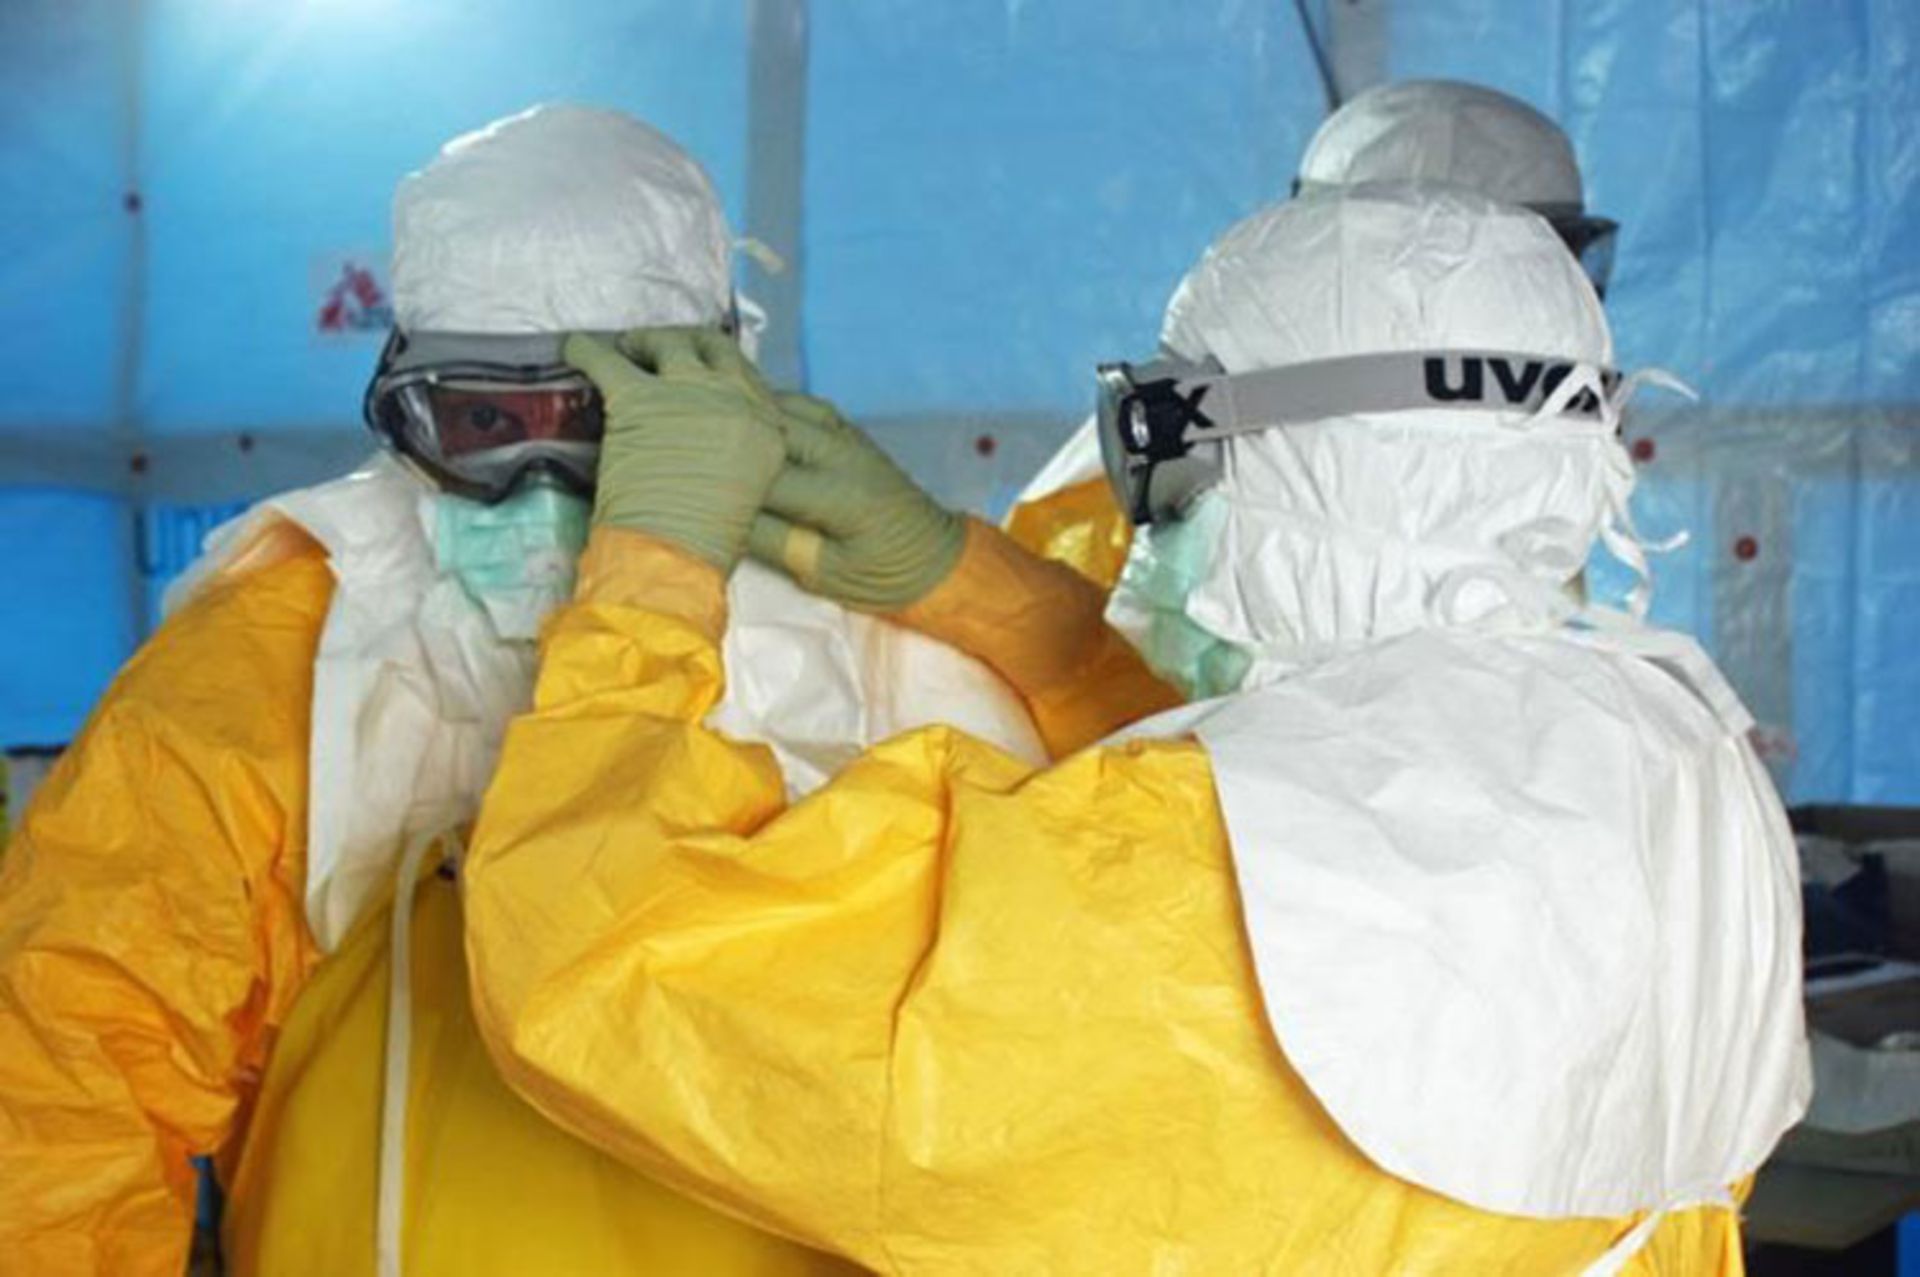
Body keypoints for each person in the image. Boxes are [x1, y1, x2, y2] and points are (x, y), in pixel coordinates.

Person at [461, 184, 1808, 1274]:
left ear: (1300, 467)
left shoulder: (1158, 885)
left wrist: (650, 570)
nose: (1136, 509)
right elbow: (1325, 822)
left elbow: (600, 963)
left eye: (1162, 450)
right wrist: (1017, 614)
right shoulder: (1678, 767)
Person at [0, 103, 1151, 1276]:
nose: (545, 484)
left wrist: (1007, 610)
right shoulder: (283, 660)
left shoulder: (883, 631)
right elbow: (62, 1090)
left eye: (611, 421)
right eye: (488, 421)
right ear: (408, 406)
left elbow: (1166, 905)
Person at [1007, 77, 1617, 594]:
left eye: (1556, 262)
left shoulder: (1530, 453)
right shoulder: (1142, 504)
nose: (1547, 303)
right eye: (1521, 266)